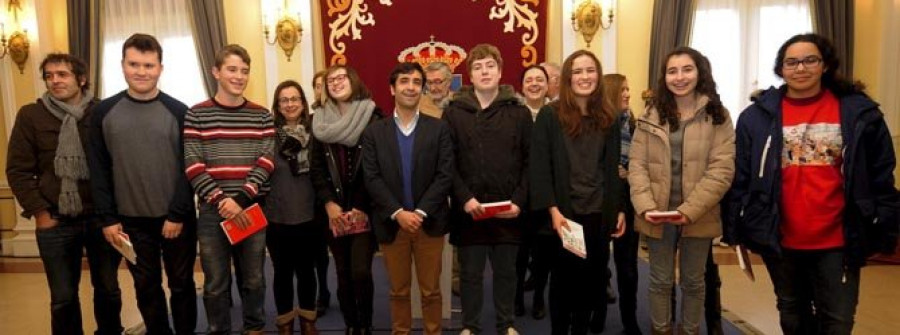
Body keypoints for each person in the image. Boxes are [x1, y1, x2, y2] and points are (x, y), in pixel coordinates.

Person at [724, 33, 898, 334]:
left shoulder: (859, 113)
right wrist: (736, 226)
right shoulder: (756, 118)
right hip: (781, 237)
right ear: (781, 69)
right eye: (791, 62)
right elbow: (741, 177)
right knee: (792, 313)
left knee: (838, 318)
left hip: (839, 238)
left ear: (825, 65)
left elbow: (881, 172)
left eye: (810, 60)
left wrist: (885, 222)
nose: (800, 68)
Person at [6, 53, 123, 335]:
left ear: (81, 79)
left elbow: (119, 164)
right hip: (55, 220)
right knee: (63, 297)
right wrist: (40, 214)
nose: (55, 80)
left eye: (62, 74)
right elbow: (18, 170)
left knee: (108, 289)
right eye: (49, 75)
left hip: (101, 218)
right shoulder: (30, 115)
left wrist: (116, 215)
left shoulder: (104, 111)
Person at [88, 33, 197, 335]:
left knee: (182, 285)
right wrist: (108, 219)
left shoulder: (180, 111)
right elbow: (98, 169)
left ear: (160, 68)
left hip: (177, 220)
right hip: (129, 223)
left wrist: (177, 213)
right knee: (146, 288)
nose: (141, 71)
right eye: (134, 64)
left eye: (148, 65)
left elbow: (191, 167)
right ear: (122, 65)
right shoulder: (102, 112)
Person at [628, 46, 735, 335]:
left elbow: (722, 170)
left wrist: (689, 211)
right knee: (660, 281)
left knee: (694, 282)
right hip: (657, 214)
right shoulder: (650, 115)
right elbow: (636, 166)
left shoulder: (718, 116)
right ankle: (660, 330)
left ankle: (690, 331)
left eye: (687, 69)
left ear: (699, 72)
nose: (679, 77)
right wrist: (646, 206)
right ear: (664, 77)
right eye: (672, 71)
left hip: (698, 214)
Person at [530, 49, 625, 335]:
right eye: (578, 71)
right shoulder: (550, 115)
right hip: (565, 215)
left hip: (598, 212)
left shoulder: (609, 117)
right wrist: (554, 212)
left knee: (592, 281)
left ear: (598, 74)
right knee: (563, 282)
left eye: (590, 70)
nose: (585, 77)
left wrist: (618, 208)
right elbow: (540, 167)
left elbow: (613, 168)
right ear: (568, 78)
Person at [184, 44, 275, 335]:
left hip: (250, 208)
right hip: (213, 213)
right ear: (216, 72)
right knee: (215, 284)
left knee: (254, 280)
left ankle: (255, 329)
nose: (239, 76)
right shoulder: (196, 114)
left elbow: (266, 160)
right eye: (232, 69)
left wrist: (239, 199)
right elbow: (193, 165)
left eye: (244, 71)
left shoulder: (262, 115)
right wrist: (222, 200)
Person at [443, 43, 532, 335]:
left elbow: (530, 161)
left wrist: (519, 201)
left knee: (507, 273)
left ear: (500, 70)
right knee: (470, 275)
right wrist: (465, 198)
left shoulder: (518, 113)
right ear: (469, 74)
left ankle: (505, 324)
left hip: (509, 210)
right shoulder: (454, 112)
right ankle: (470, 326)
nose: (484, 71)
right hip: (469, 210)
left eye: (490, 65)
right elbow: (447, 162)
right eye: (478, 67)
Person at [361, 62, 454, 335]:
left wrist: (421, 212)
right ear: (392, 88)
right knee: (398, 291)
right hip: (393, 225)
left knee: (431, 291)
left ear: (422, 89)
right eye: (404, 81)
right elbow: (372, 178)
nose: (411, 87)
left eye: (416, 82)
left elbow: (444, 175)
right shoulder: (374, 133)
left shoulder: (438, 129)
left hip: (430, 224)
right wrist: (399, 213)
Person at [309, 64, 381, 335]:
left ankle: (366, 323)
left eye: (342, 77)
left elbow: (376, 166)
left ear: (353, 80)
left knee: (361, 271)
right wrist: (329, 203)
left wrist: (361, 206)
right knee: (342, 273)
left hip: (364, 206)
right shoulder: (319, 120)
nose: (336, 82)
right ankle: (352, 324)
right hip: (333, 210)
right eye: (331, 80)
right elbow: (316, 168)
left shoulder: (373, 116)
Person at [264, 80, 320, 335]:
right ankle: (285, 323)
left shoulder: (316, 133)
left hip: (310, 214)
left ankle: (308, 321)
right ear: (277, 105)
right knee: (282, 274)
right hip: (277, 216)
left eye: (294, 99)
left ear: (303, 102)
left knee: (308, 272)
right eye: (284, 100)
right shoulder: (268, 136)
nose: (290, 104)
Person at [601, 73, 641, 334]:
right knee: (597, 266)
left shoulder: (636, 126)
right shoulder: (598, 126)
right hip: (600, 204)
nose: (627, 94)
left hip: (628, 204)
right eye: (622, 90)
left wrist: (630, 172)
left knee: (628, 269)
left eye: (628, 89)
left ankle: (630, 320)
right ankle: (597, 314)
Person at [514, 64, 552, 321]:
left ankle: (539, 296)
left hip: (548, 198)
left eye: (540, 79)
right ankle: (516, 296)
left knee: (543, 255)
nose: (535, 84)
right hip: (520, 196)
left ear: (548, 85)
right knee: (518, 254)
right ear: (522, 86)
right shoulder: (514, 115)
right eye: (529, 80)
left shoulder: (557, 114)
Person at [310, 69, 333, 316]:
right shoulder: (309, 121)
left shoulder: (345, 120)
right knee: (317, 252)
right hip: (314, 198)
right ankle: (322, 292)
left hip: (338, 198)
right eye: (317, 86)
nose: (322, 89)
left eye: (325, 84)